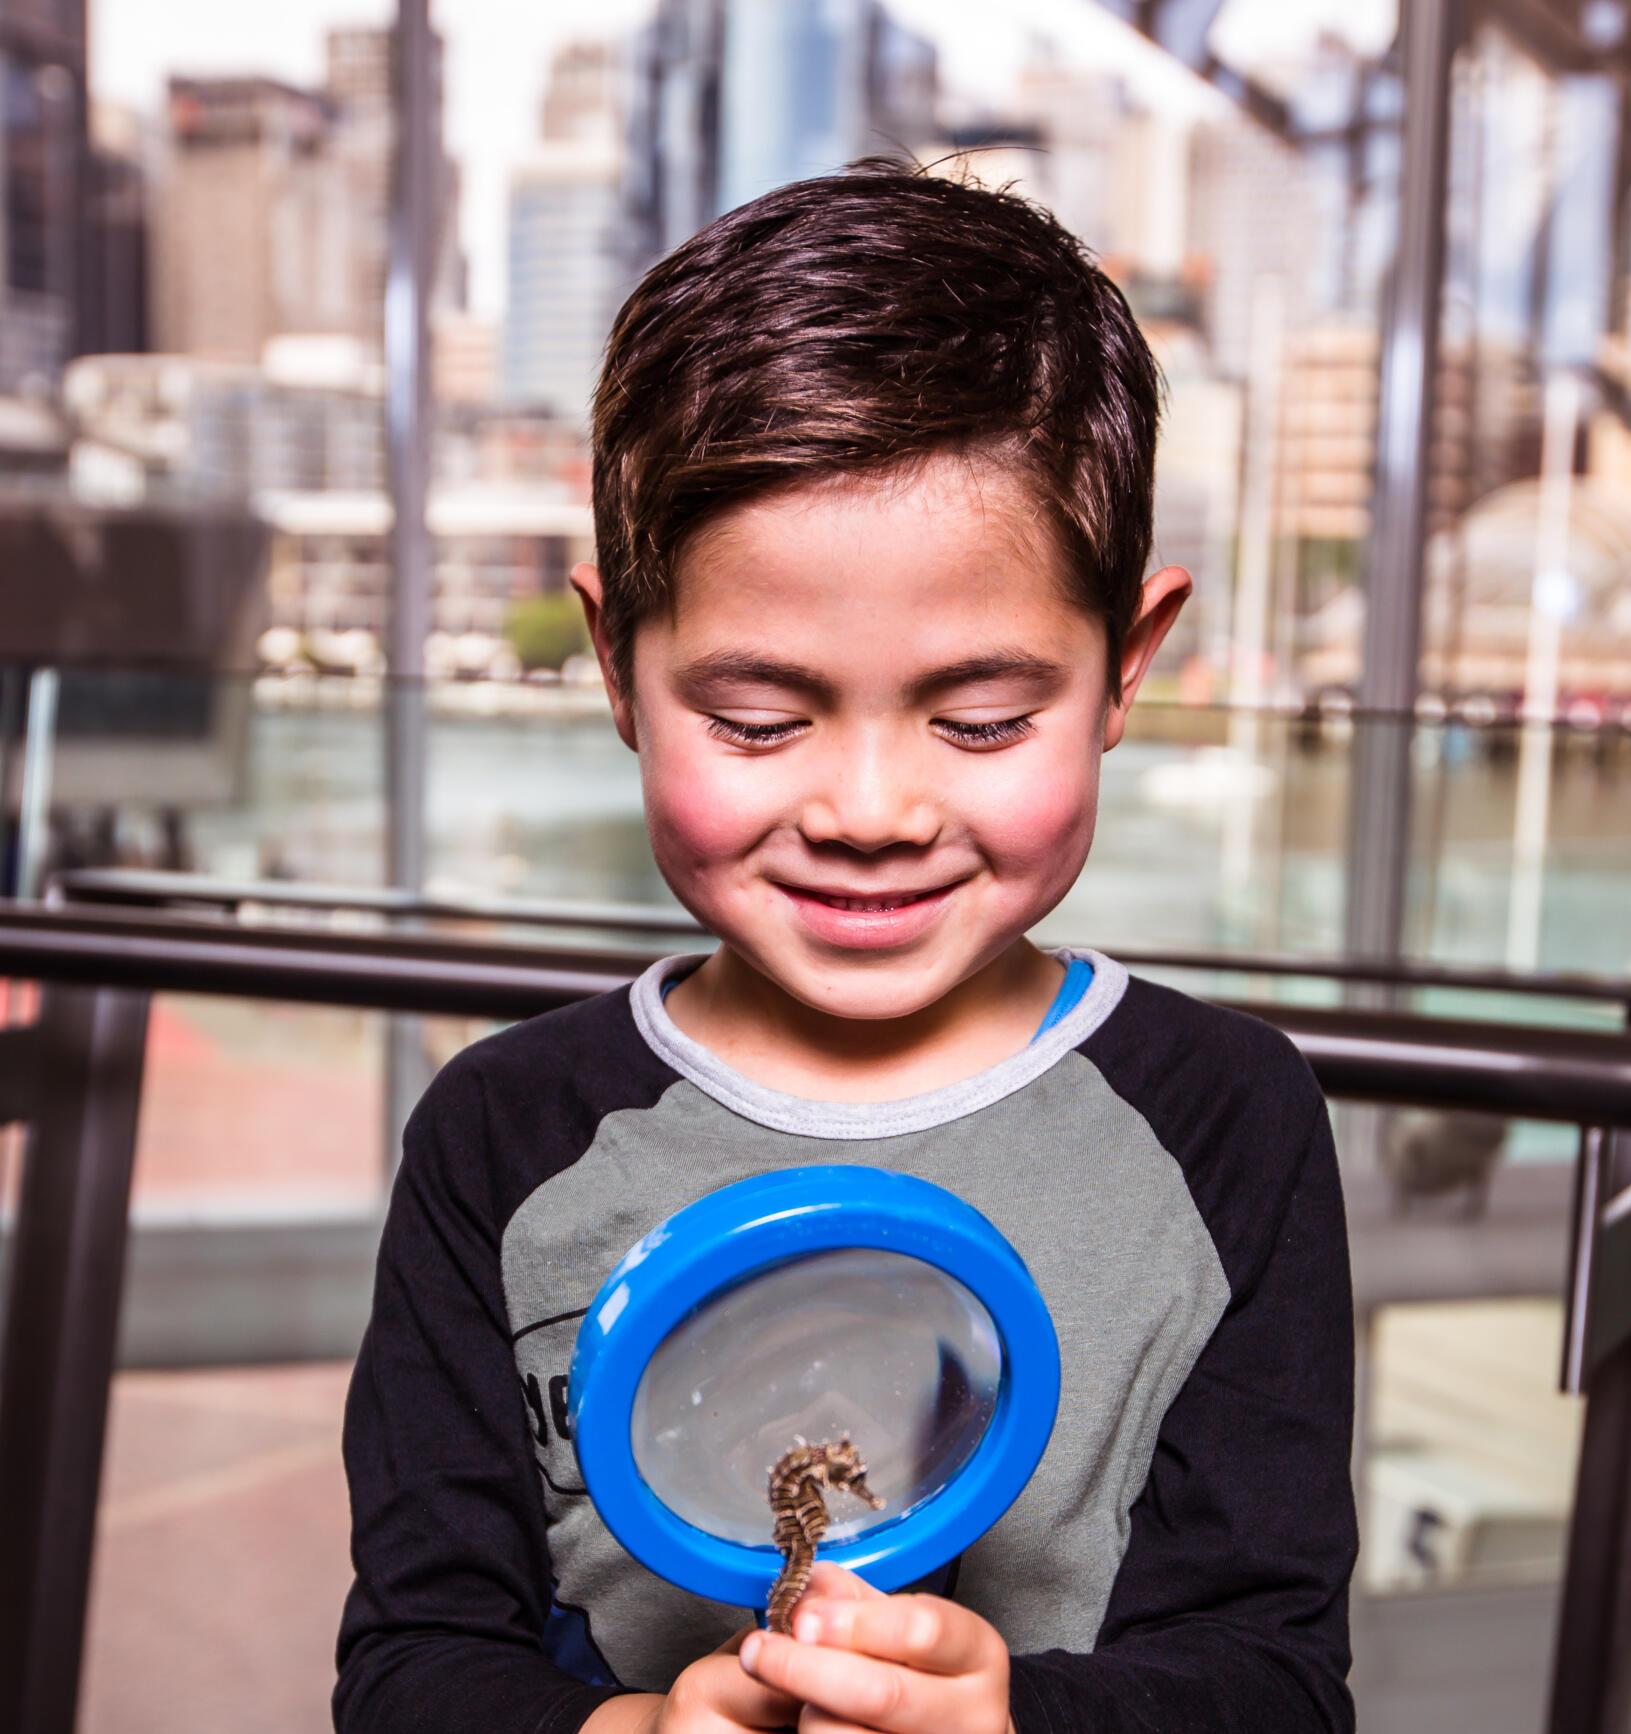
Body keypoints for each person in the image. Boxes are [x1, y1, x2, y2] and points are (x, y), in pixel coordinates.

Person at [334, 157, 1357, 1734]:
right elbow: (411, 1661)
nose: (870, 807)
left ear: (1126, 666)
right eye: (755, 718)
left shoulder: (1228, 1120)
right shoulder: (501, 1133)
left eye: (981, 717)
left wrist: (1009, 1721)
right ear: (616, 664)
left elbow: (1271, 1676)